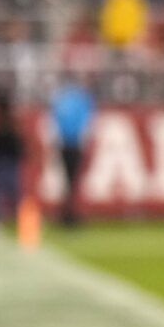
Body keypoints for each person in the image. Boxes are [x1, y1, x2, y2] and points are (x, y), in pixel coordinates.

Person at [48, 76, 95, 227]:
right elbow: (87, 122)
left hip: (64, 144)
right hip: (74, 145)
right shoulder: (82, 99)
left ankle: (67, 214)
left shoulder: (60, 98)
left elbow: (53, 121)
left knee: (68, 180)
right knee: (71, 180)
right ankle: (69, 214)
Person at [0, 92, 26, 224]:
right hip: (6, 164)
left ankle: (12, 217)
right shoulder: (8, 124)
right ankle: (9, 217)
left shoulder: (6, 123)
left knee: (4, 194)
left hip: (5, 164)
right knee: (3, 194)